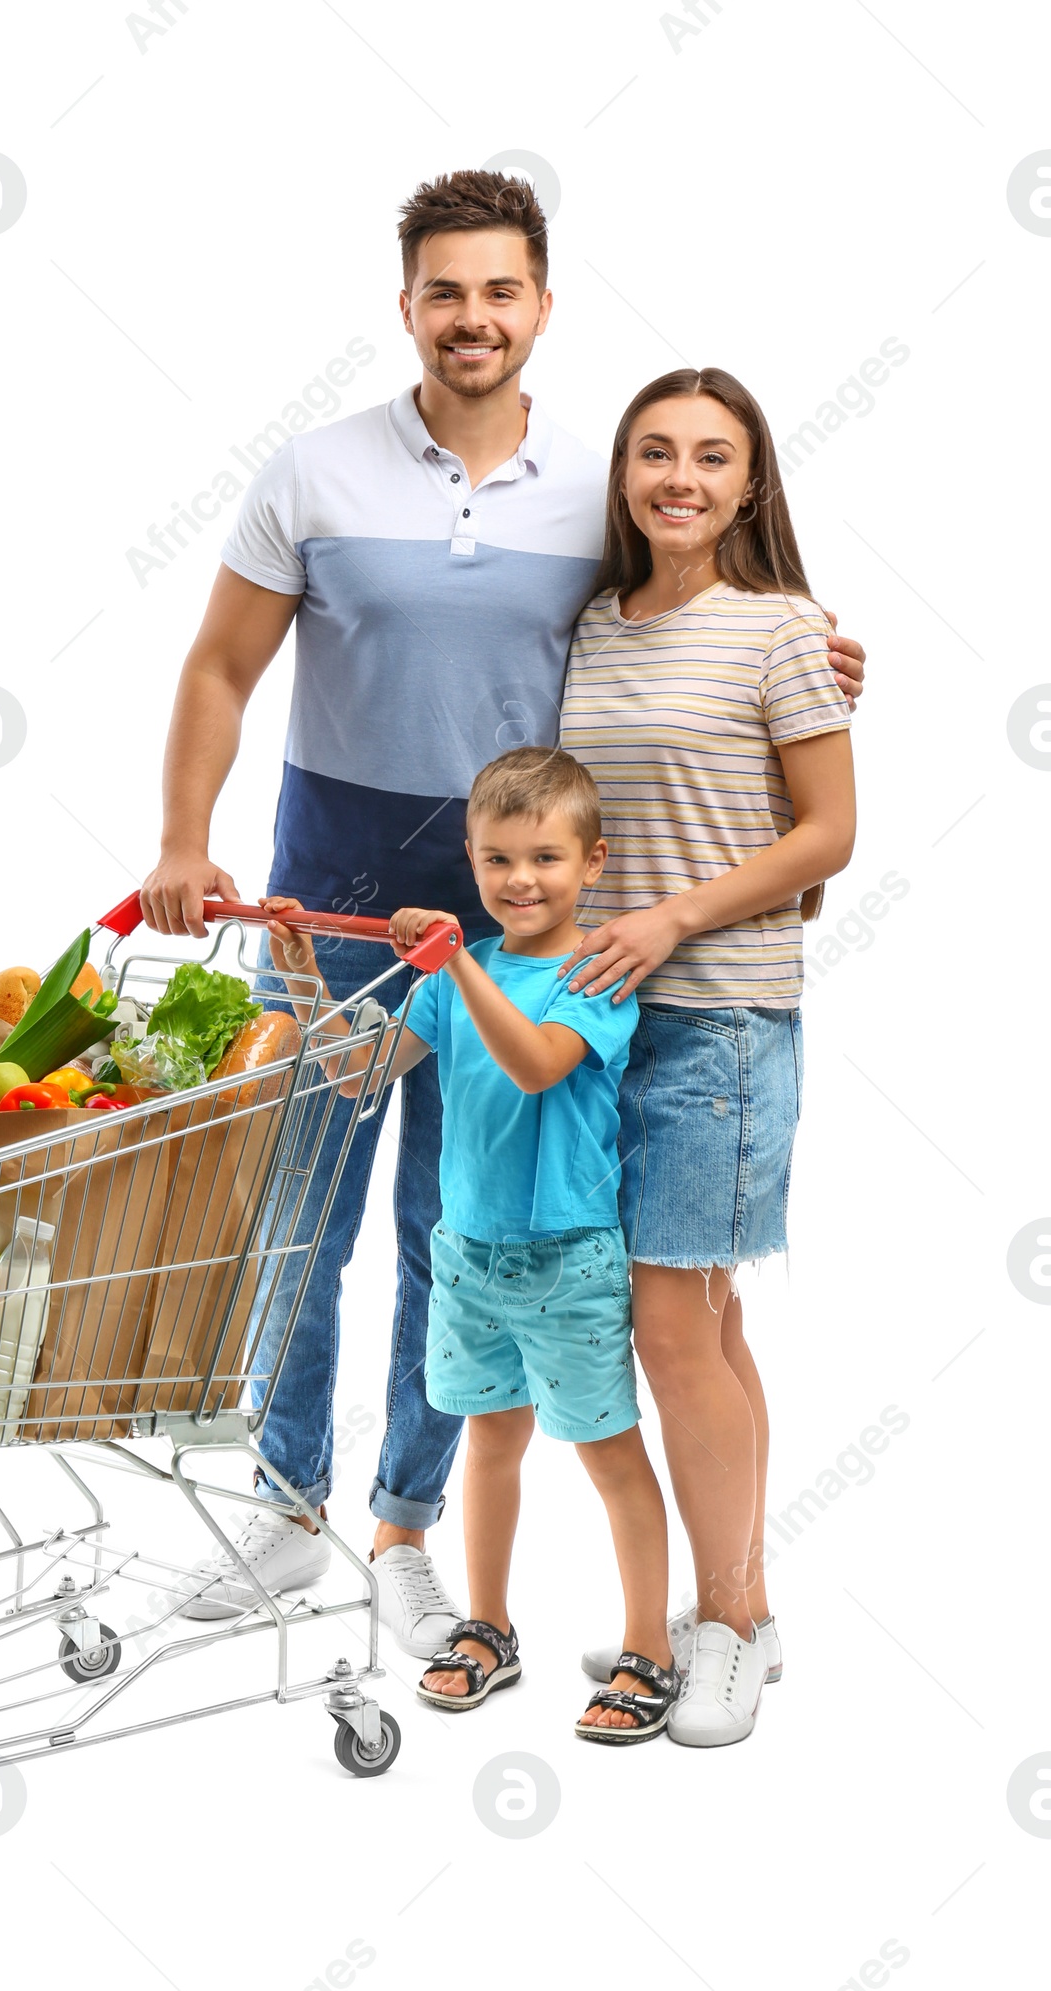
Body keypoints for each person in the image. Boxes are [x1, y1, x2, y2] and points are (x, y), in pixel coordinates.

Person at [139, 168, 867, 1660]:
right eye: (445, 292)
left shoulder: (592, 500)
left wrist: (814, 657)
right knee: (301, 1213)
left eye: (501, 291)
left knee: (450, 1217)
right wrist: (180, 836)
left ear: (541, 304)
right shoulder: (313, 473)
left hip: (516, 898)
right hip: (333, 881)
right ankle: (285, 1509)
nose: (473, 319)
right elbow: (219, 667)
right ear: (406, 304)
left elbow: (688, 601)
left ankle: (403, 1526)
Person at [263, 748, 680, 1741]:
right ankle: (486, 1626)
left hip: (568, 1259)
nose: (519, 878)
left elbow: (537, 1065)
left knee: (608, 1452)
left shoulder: (597, 974)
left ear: (593, 864)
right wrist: (299, 971)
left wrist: (449, 962)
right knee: (491, 1442)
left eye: (543, 856)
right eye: (496, 858)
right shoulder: (456, 977)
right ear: (470, 858)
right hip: (468, 1258)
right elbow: (359, 1077)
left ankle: (647, 1649)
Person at [557, 367, 856, 1744]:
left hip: (723, 1018)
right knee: (706, 1318)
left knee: (670, 1322)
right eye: (656, 452)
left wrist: (673, 914)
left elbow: (826, 832)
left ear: (751, 484)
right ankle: (749, 1601)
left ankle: (727, 1620)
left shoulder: (785, 629)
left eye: (712, 456)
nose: (681, 476)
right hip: (606, 1023)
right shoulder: (594, 628)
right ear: (624, 475)